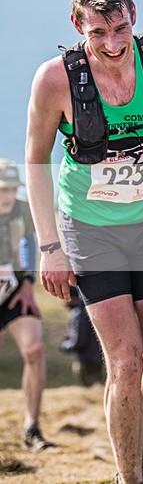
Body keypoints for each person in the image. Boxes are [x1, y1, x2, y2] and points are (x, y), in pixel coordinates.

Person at [25, 0, 143, 484]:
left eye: (120, 29)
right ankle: (132, 475)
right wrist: (49, 246)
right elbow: (35, 162)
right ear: (76, 24)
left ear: (134, 17)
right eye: (96, 32)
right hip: (89, 230)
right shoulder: (55, 79)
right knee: (125, 363)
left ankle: (130, 429)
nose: (111, 43)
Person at [0, 159, 53, 452]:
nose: (7, 196)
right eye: (2, 190)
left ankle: (32, 428)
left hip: (16, 290)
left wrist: (29, 284)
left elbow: (29, 246)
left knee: (35, 349)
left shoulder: (23, 209)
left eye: (11, 189)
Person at [61, 286, 105, 387]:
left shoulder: (77, 314)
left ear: (69, 297)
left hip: (86, 359)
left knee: (89, 387)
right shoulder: (91, 309)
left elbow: (79, 341)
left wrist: (65, 345)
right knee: (99, 386)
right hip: (99, 356)